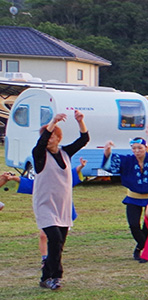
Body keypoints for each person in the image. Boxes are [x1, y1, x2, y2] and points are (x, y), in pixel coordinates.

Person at [32, 110, 88, 289]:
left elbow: (84, 139)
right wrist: (53, 122)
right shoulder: (39, 155)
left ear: (58, 138)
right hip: (45, 205)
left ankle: (47, 277)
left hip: (62, 205)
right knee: (54, 238)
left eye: (52, 137)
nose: (49, 140)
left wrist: (80, 121)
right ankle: (53, 276)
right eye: (47, 137)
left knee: (59, 243)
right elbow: (41, 143)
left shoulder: (65, 153)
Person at [101, 126, 148, 261]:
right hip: (133, 197)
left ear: (146, 148)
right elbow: (110, 163)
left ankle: (141, 250)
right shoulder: (127, 160)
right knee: (133, 224)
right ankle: (145, 246)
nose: (137, 151)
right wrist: (107, 150)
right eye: (134, 148)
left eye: (140, 148)